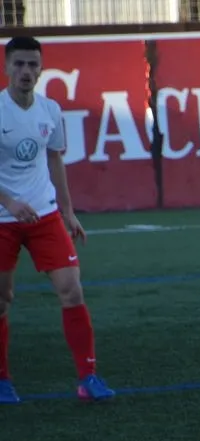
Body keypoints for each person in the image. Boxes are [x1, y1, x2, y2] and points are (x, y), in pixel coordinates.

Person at [0, 36, 115, 404]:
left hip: (44, 214)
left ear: (41, 68)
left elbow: (54, 160)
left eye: (33, 65)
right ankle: (2, 380)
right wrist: (9, 201)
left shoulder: (50, 110)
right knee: (2, 300)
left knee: (72, 290)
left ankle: (88, 377)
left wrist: (67, 211)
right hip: (3, 218)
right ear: (6, 68)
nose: (26, 72)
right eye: (19, 64)